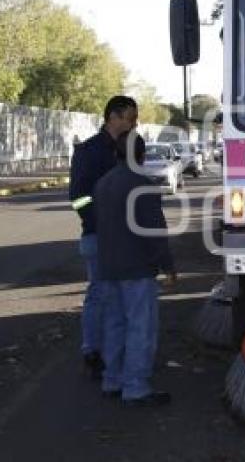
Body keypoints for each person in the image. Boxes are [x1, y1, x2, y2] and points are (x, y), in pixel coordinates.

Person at [95, 131, 175, 406]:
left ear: (116, 154)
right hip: (137, 269)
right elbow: (154, 231)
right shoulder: (142, 184)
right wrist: (167, 265)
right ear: (141, 155)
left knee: (114, 325)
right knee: (140, 328)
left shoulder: (102, 184)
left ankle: (112, 380)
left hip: (108, 267)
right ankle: (136, 387)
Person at [69, 95, 138, 378]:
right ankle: (92, 351)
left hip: (125, 238)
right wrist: (99, 222)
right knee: (98, 294)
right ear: (113, 117)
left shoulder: (129, 149)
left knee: (119, 297)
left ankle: (114, 351)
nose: (135, 123)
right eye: (130, 118)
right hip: (98, 237)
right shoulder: (89, 151)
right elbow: (77, 198)